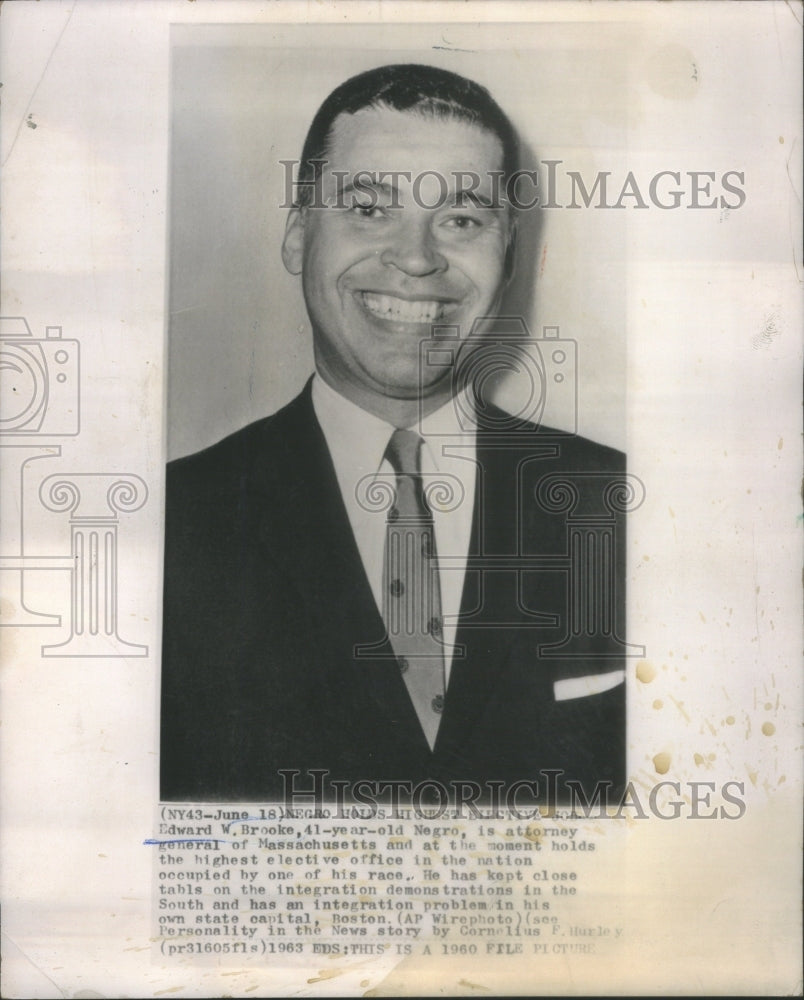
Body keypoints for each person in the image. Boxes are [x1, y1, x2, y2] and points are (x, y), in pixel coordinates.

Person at [160, 63, 627, 805]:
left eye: (463, 220)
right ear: (295, 238)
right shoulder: (169, 525)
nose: (416, 258)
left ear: (509, 259)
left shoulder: (626, 507)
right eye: (370, 209)